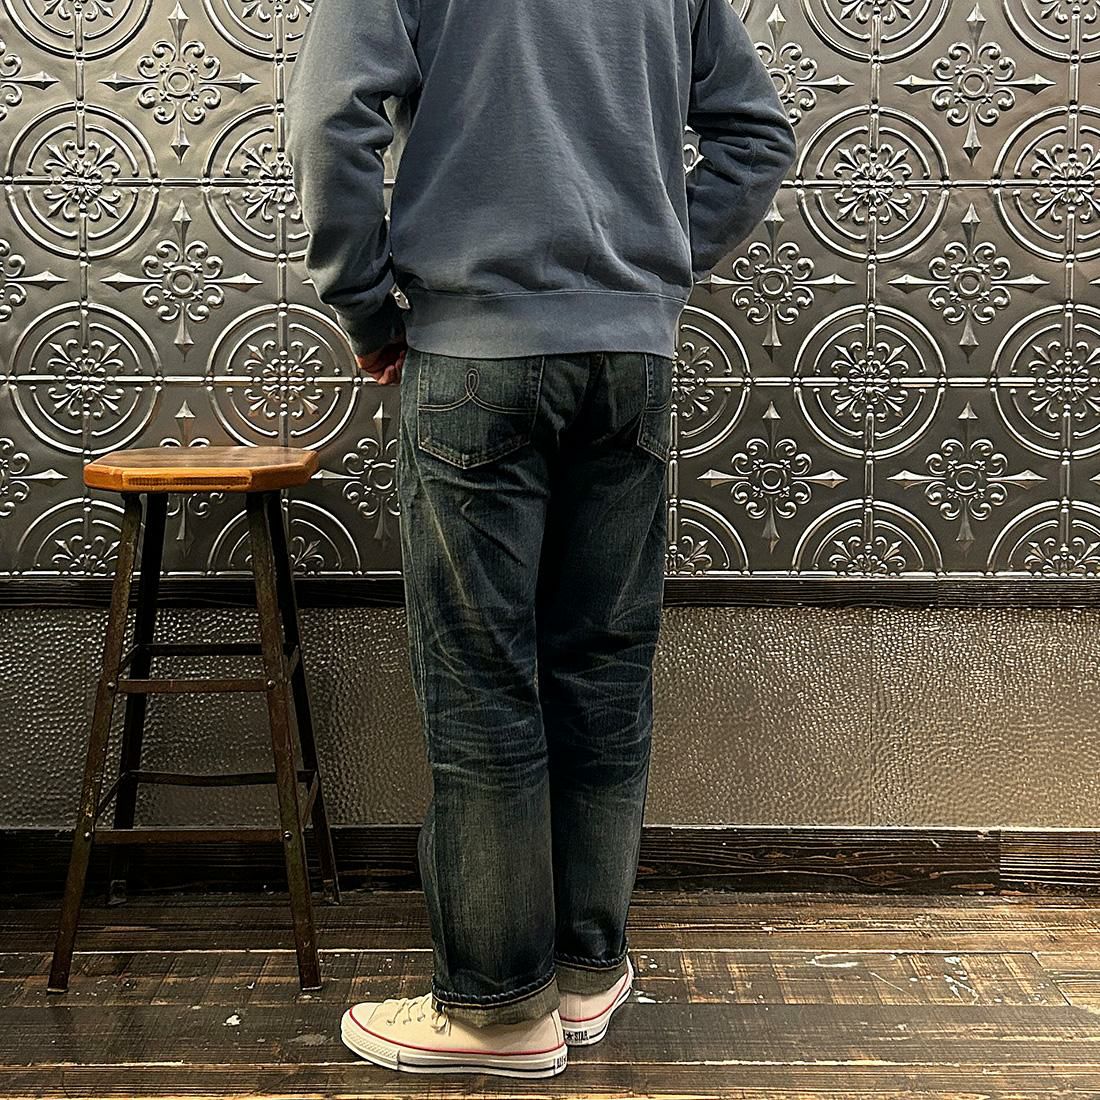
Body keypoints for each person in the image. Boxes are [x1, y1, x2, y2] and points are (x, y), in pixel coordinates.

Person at [285, 0, 796, 1078]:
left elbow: (331, 124)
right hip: (630, 360)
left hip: (474, 355)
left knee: (481, 681)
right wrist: (647, 269)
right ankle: (582, 971)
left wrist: (369, 310)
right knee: (602, 670)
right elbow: (756, 137)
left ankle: (496, 1009)